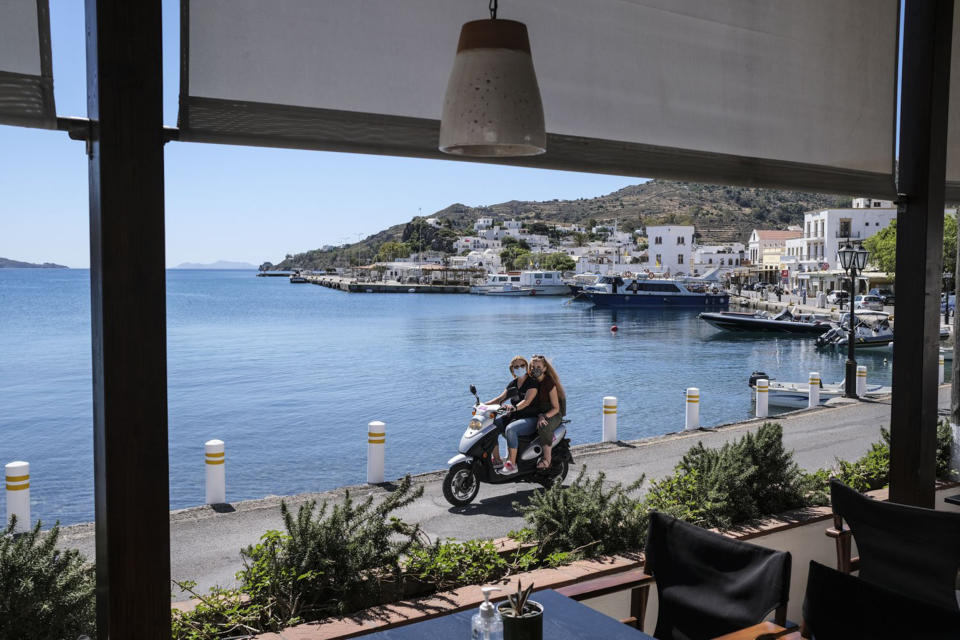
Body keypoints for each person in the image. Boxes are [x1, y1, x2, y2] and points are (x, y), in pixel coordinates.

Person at [483, 356, 538, 472]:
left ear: (526, 366)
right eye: (516, 366)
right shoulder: (513, 384)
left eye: (522, 365)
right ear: (512, 370)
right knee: (490, 427)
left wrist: (513, 408)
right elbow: (500, 399)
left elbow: (527, 401)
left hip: (531, 418)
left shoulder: (532, 382)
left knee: (510, 429)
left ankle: (512, 464)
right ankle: (497, 460)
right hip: (515, 415)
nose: (520, 368)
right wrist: (483, 405)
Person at [527, 355, 566, 470]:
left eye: (538, 367)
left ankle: (547, 459)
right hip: (537, 412)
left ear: (544, 368)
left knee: (543, 426)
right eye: (533, 367)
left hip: (552, 413)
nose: (535, 369)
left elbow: (556, 408)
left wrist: (543, 416)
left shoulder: (549, 383)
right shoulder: (530, 381)